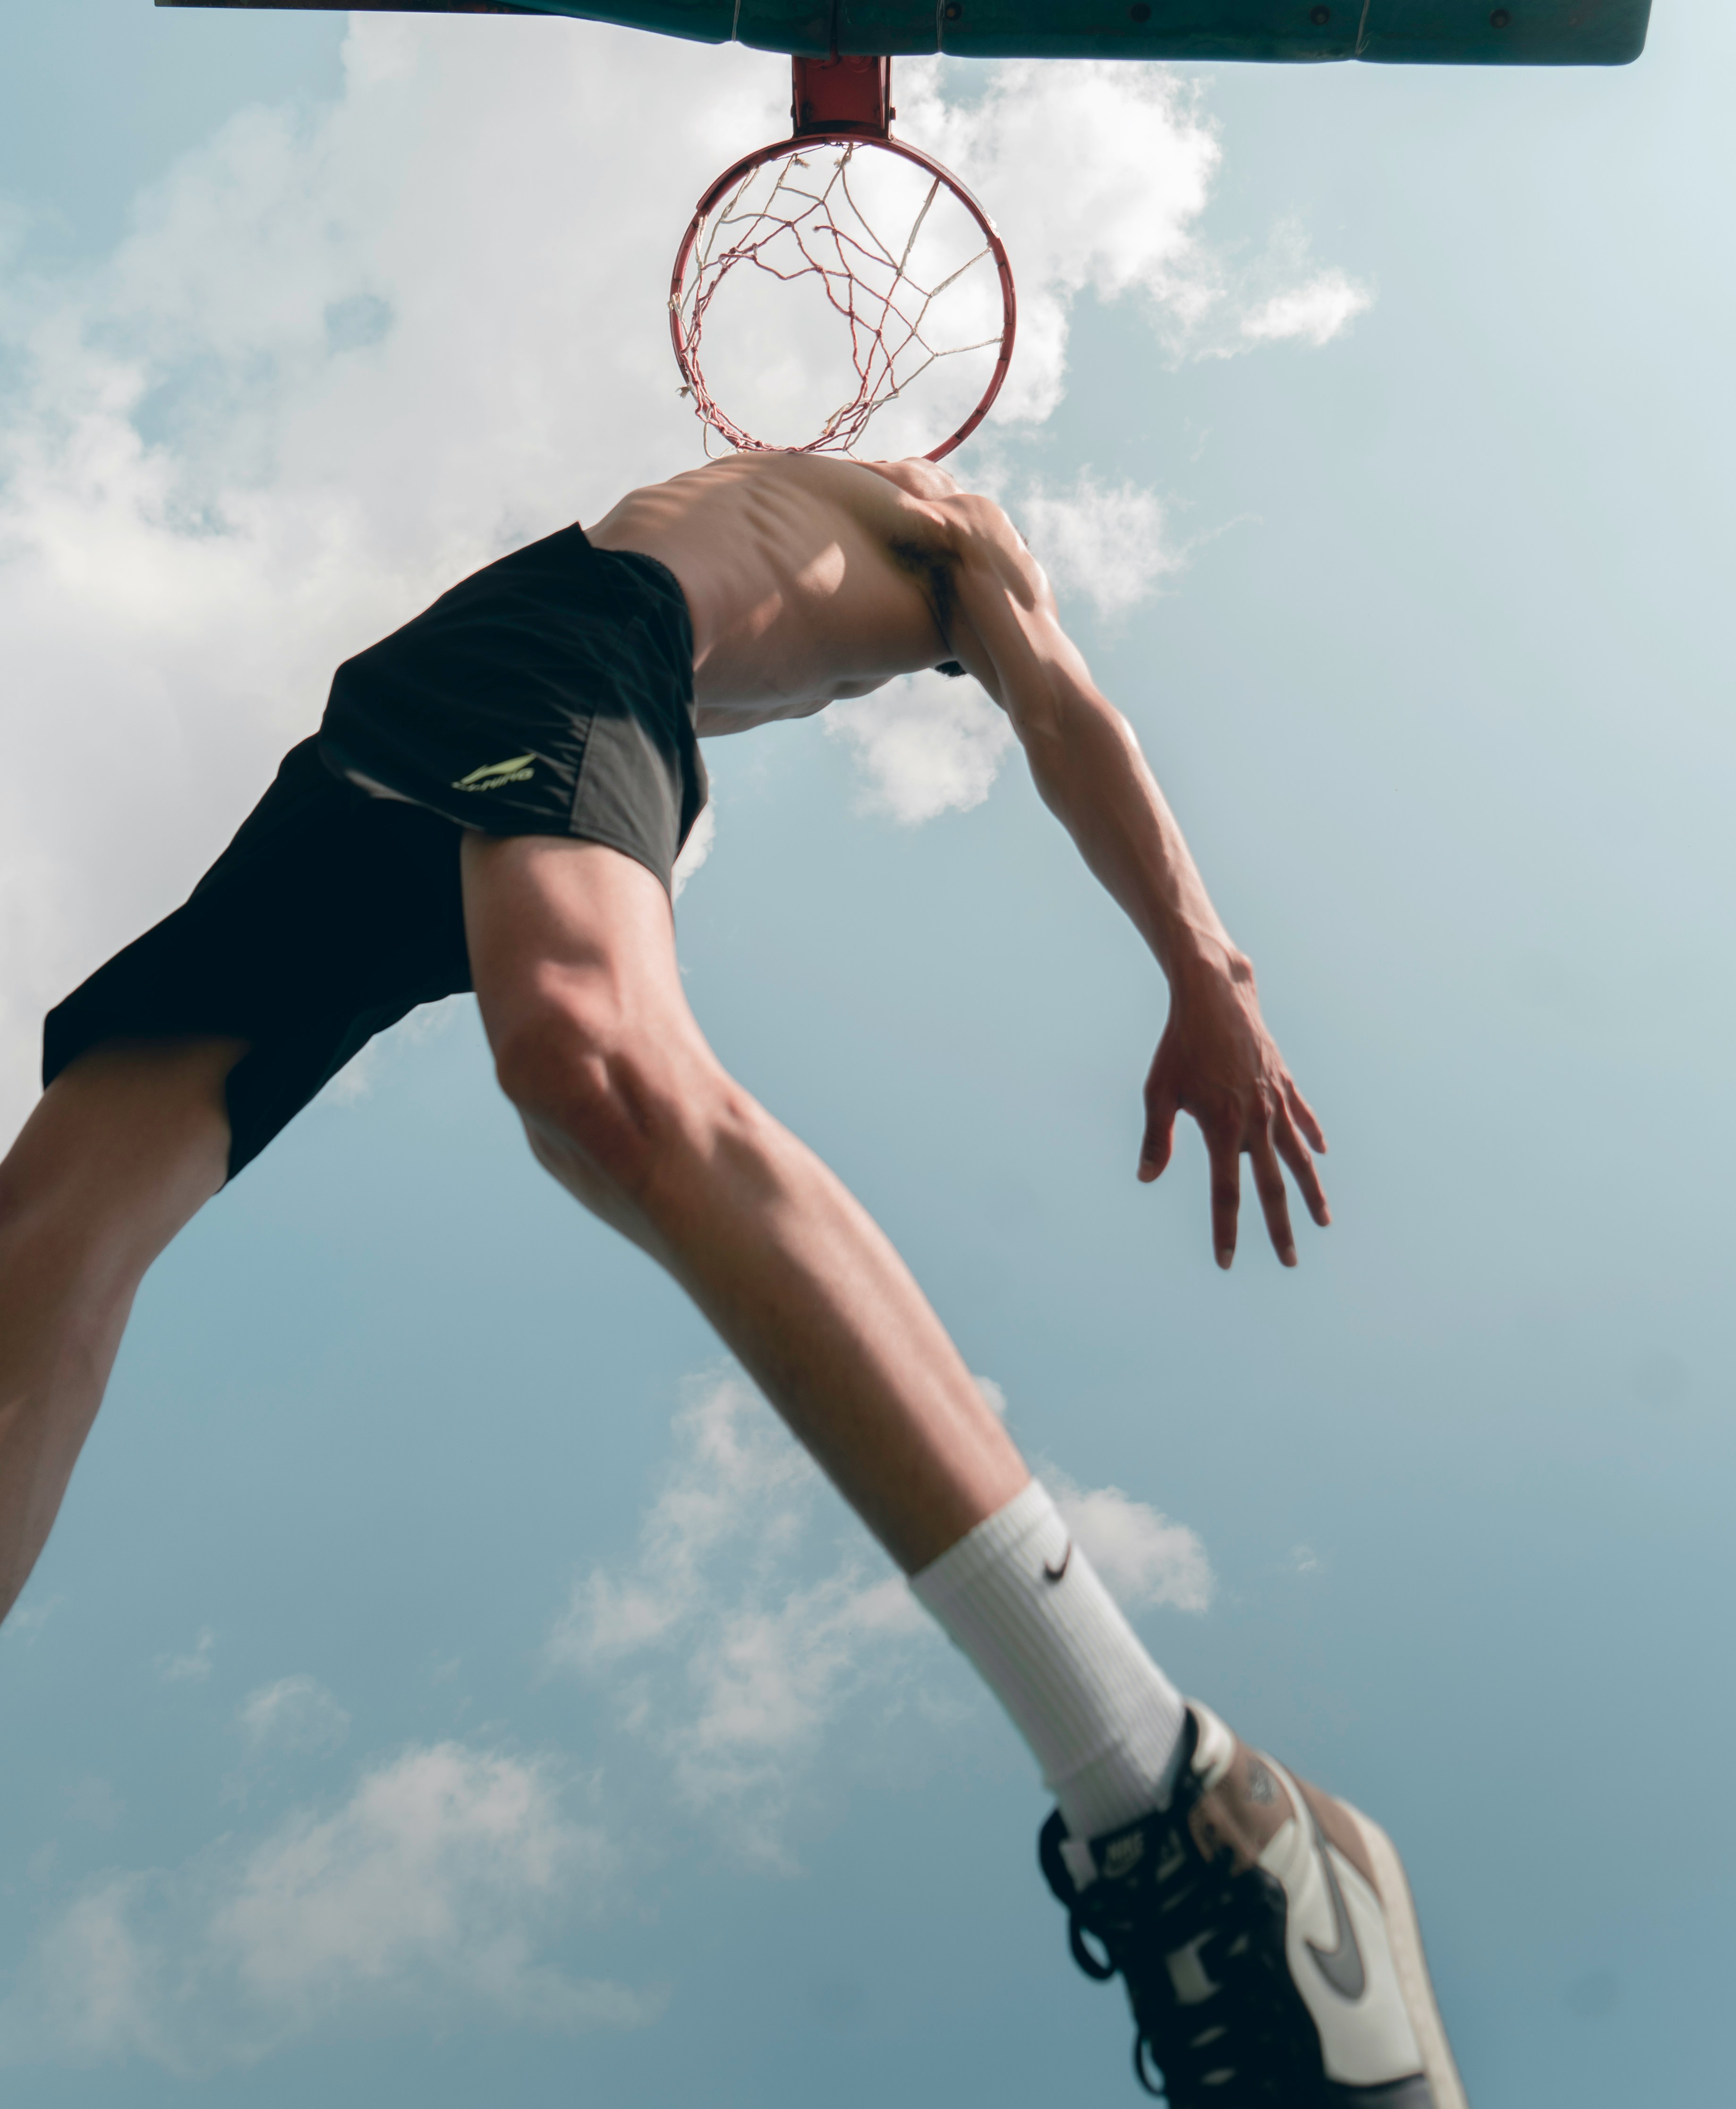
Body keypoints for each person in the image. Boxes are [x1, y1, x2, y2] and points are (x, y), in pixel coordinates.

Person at [0, 451, 1465, 2104]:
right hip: (486, 673)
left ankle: (1174, 1786)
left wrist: (1204, 967)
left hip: (523, 671)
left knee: (591, 1065)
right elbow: (1041, 712)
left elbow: (1061, 713)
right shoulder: (894, 508)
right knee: (43, 1245)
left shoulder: (936, 556)